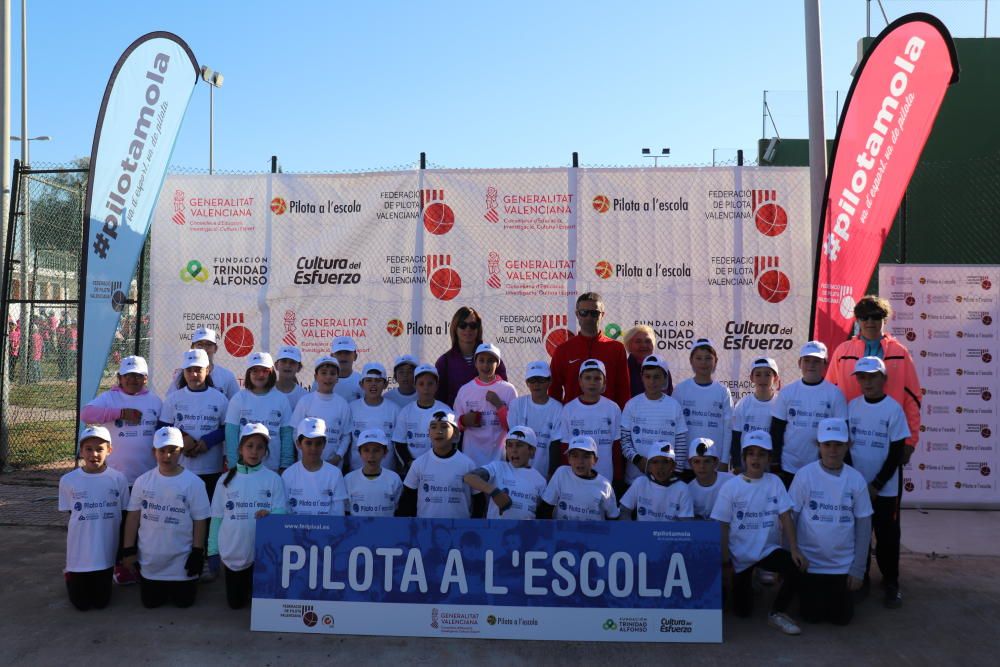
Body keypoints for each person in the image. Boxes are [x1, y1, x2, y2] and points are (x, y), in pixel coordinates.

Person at [711, 430, 806, 635]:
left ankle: (777, 612)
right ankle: (749, 579)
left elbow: (785, 517)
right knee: (742, 612)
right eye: (751, 453)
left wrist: (795, 549)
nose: (756, 458)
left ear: (769, 459)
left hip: (767, 550)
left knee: (797, 567)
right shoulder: (731, 487)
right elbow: (723, 525)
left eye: (762, 454)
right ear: (744, 458)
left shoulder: (775, 482)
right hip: (740, 555)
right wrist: (726, 558)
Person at [789, 418, 873, 625]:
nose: (832, 450)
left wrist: (858, 569)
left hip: (842, 567)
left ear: (848, 446)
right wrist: (790, 557)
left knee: (841, 618)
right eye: (827, 444)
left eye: (838, 445)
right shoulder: (804, 476)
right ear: (818, 445)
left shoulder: (856, 479)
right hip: (809, 565)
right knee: (811, 617)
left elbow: (864, 526)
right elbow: (790, 518)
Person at [121, 427, 211, 609]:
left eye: (173, 451)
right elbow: (133, 517)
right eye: (162, 451)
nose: (167, 456)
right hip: (151, 564)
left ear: (181, 452)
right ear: (154, 452)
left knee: (184, 603)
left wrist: (197, 552)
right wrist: (128, 550)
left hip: (182, 564)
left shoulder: (194, 483)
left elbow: (200, 520)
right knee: (151, 603)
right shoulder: (142, 481)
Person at [826, 294, 922, 464]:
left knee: (884, 487)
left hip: (888, 435)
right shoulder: (843, 351)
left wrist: (909, 441)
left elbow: (912, 398)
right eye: (864, 317)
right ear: (857, 320)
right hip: (849, 437)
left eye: (876, 317)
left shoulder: (900, 353)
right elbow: (829, 395)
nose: (870, 321)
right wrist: (831, 434)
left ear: (884, 320)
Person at [847, 356, 910, 608]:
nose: (867, 382)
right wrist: (857, 484)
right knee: (859, 533)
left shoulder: (893, 409)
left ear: (884, 379)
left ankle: (891, 581)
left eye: (873, 376)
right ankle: (861, 578)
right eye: (862, 377)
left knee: (887, 536)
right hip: (858, 487)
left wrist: (876, 484)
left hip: (885, 489)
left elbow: (896, 453)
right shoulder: (851, 407)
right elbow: (847, 448)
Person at [209, 423, 287, 609]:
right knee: (236, 605)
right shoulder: (224, 480)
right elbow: (217, 517)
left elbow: (282, 511)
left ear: (266, 451)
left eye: (260, 447)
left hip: (262, 554)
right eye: (249, 446)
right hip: (233, 552)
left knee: (260, 608)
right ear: (240, 449)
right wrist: (212, 550)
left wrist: (270, 514)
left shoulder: (273, 479)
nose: (254, 451)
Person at [58, 426, 130, 611]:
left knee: (101, 603)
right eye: (88, 449)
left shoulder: (118, 479)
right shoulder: (68, 480)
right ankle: (70, 574)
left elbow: (124, 514)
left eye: (100, 449)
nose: (94, 454)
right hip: (78, 554)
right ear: (81, 451)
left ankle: (105, 575)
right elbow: (71, 513)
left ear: (109, 450)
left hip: (105, 554)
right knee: (81, 605)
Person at [770, 341, 848, 487]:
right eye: (807, 360)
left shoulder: (835, 394)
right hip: (789, 466)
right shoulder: (787, 392)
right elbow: (777, 430)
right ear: (799, 363)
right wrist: (775, 463)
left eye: (816, 361)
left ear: (825, 364)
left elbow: (843, 434)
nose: (811, 365)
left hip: (822, 467)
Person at [80, 355, 162, 487]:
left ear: (145, 378)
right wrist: (121, 413)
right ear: (119, 378)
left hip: (148, 476)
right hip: (114, 476)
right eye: (128, 375)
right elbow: (85, 414)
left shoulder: (155, 401)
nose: (132, 379)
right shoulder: (109, 398)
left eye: (138, 375)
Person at [159, 349, 228, 503]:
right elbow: (163, 427)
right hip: (180, 467)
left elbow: (227, 429)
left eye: (198, 370)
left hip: (211, 468)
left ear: (208, 370)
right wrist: (183, 439)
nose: (193, 374)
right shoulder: (173, 398)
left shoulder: (220, 398)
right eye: (189, 370)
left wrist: (207, 442)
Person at [548, 293, 630, 409]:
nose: (589, 317)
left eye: (594, 313)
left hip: (607, 417)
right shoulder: (563, 350)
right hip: (573, 418)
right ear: (577, 314)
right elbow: (554, 389)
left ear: (602, 315)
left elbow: (623, 388)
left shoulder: (616, 348)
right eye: (584, 312)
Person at [620, 354, 688, 485]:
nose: (652, 381)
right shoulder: (631, 404)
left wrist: (675, 473)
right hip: (635, 479)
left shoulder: (674, 405)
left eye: (657, 377)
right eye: (648, 376)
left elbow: (681, 443)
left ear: (665, 379)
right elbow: (624, 440)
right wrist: (638, 460)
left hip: (667, 480)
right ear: (642, 378)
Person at [398, 411, 479, 518]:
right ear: (429, 433)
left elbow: (479, 501)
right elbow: (407, 501)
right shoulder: (419, 464)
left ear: (455, 433)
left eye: (444, 427)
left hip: (460, 530)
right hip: (425, 529)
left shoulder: (468, 464)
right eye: (434, 427)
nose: (438, 431)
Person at [558, 359, 623, 491]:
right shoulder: (569, 409)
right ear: (580, 382)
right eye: (587, 378)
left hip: (605, 476)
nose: (592, 382)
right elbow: (565, 445)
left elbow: (616, 446)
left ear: (604, 383)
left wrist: (618, 476)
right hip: (576, 476)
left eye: (597, 378)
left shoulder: (613, 408)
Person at [224, 352, 294, 472]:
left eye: (265, 370)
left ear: (271, 372)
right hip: (244, 469)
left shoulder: (281, 399)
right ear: (248, 373)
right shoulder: (239, 398)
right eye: (255, 370)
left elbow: (286, 434)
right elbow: (231, 435)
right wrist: (233, 465)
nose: (260, 375)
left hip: (273, 468)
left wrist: (285, 465)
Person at [672, 338, 733, 474]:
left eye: (708, 358)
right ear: (691, 361)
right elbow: (674, 428)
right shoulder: (681, 389)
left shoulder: (723, 391)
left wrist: (724, 461)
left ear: (715, 361)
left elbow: (728, 428)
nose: (703, 363)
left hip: (714, 463)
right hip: (687, 464)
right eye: (698, 358)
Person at [463, 426, 548, 520]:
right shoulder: (497, 468)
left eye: (519, 445)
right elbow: (469, 477)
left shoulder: (540, 481)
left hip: (525, 532)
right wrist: (495, 492)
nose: (514, 450)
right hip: (496, 531)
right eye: (510, 445)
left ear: (531, 451)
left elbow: (544, 514)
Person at [454, 343, 518, 467]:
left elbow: (514, 426)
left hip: (499, 459)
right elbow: (453, 422)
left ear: (497, 364)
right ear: (475, 363)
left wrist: (499, 406)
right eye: (481, 360)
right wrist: (464, 420)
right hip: (471, 458)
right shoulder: (465, 390)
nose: (485, 365)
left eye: (490, 361)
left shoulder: (508, 389)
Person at [434, 306, 508, 407]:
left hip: (491, 420)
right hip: (455, 420)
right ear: (455, 328)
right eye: (463, 325)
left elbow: (504, 392)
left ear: (478, 328)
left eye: (473, 325)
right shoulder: (444, 362)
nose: (468, 329)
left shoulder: (493, 359)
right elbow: (439, 400)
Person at [290, 355, 352, 466]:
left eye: (332, 373)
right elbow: (295, 432)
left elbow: (346, 435)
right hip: (306, 465)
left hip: (333, 465)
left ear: (337, 378)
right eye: (323, 373)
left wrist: (338, 457)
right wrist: (304, 454)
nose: (328, 377)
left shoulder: (342, 404)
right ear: (315, 377)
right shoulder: (305, 401)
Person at [539, 435, 619, 521]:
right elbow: (546, 507)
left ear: (595, 460)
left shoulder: (605, 485)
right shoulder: (562, 473)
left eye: (586, 456)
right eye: (575, 456)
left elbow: (613, 517)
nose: (580, 461)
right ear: (568, 459)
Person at [507, 360, 563, 479]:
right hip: (517, 472)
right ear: (527, 383)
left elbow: (555, 445)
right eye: (532, 380)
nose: (536, 384)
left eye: (541, 380)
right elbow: (512, 443)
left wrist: (551, 473)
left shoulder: (558, 408)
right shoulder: (517, 405)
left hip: (544, 474)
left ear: (550, 381)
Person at [282, 418, 348, 516]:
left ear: (324, 444)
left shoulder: (335, 474)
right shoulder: (288, 475)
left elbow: (338, 514)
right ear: (298, 444)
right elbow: (285, 511)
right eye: (308, 443)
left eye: (318, 443)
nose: (313, 448)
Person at [392, 363, 450, 470]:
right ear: (415, 385)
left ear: (437, 386)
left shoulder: (446, 411)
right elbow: (399, 442)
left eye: (430, 384)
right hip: (413, 468)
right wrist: (409, 463)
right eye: (421, 384)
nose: (426, 388)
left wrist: (442, 460)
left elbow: (452, 442)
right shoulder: (406, 412)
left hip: (440, 466)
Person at [618, 441, 693, 521]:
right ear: (648, 466)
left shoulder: (683, 489)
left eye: (666, 462)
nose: (660, 467)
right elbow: (624, 511)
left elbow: (686, 523)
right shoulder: (640, 483)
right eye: (655, 462)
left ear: (673, 466)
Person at [347, 363, 400, 472]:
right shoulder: (351, 408)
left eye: (378, 381)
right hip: (356, 473)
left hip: (387, 473)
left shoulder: (395, 409)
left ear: (385, 384)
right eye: (369, 380)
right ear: (361, 384)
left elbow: (398, 444)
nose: (373, 384)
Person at [730, 357, 780, 473]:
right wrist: (737, 464)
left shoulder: (780, 404)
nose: (763, 379)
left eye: (767, 375)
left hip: (770, 467)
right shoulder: (743, 404)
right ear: (751, 378)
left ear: (775, 378)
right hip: (746, 465)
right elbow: (736, 437)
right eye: (758, 375)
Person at [345, 428, 403, 516]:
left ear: (385, 452)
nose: (371, 456)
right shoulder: (349, 480)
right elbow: (346, 512)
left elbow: (398, 510)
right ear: (359, 452)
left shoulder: (394, 479)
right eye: (366, 450)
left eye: (376, 450)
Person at [686, 437, 733, 520]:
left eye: (707, 461)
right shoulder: (687, 491)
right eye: (697, 462)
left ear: (715, 463)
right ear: (690, 464)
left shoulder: (731, 482)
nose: (702, 466)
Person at [186, 327, 240, 399]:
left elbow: (236, 404)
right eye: (200, 344)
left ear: (215, 349)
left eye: (208, 344)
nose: (204, 349)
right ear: (192, 348)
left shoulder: (227, 376)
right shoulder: (182, 375)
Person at [622, 325, 673, 397]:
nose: (644, 345)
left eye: (648, 341)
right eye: (638, 341)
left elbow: (668, 394)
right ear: (628, 345)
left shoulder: (662, 368)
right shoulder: (623, 369)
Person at [273, 345, 308, 411]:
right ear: (276, 365)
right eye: (284, 361)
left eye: (292, 362)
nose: (288, 365)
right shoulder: (267, 392)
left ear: (299, 367)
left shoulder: (304, 396)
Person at [330, 336, 363, 403]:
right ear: (332, 357)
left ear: (355, 356)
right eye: (339, 352)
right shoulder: (321, 382)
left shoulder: (362, 382)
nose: (343, 356)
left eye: (347, 352)